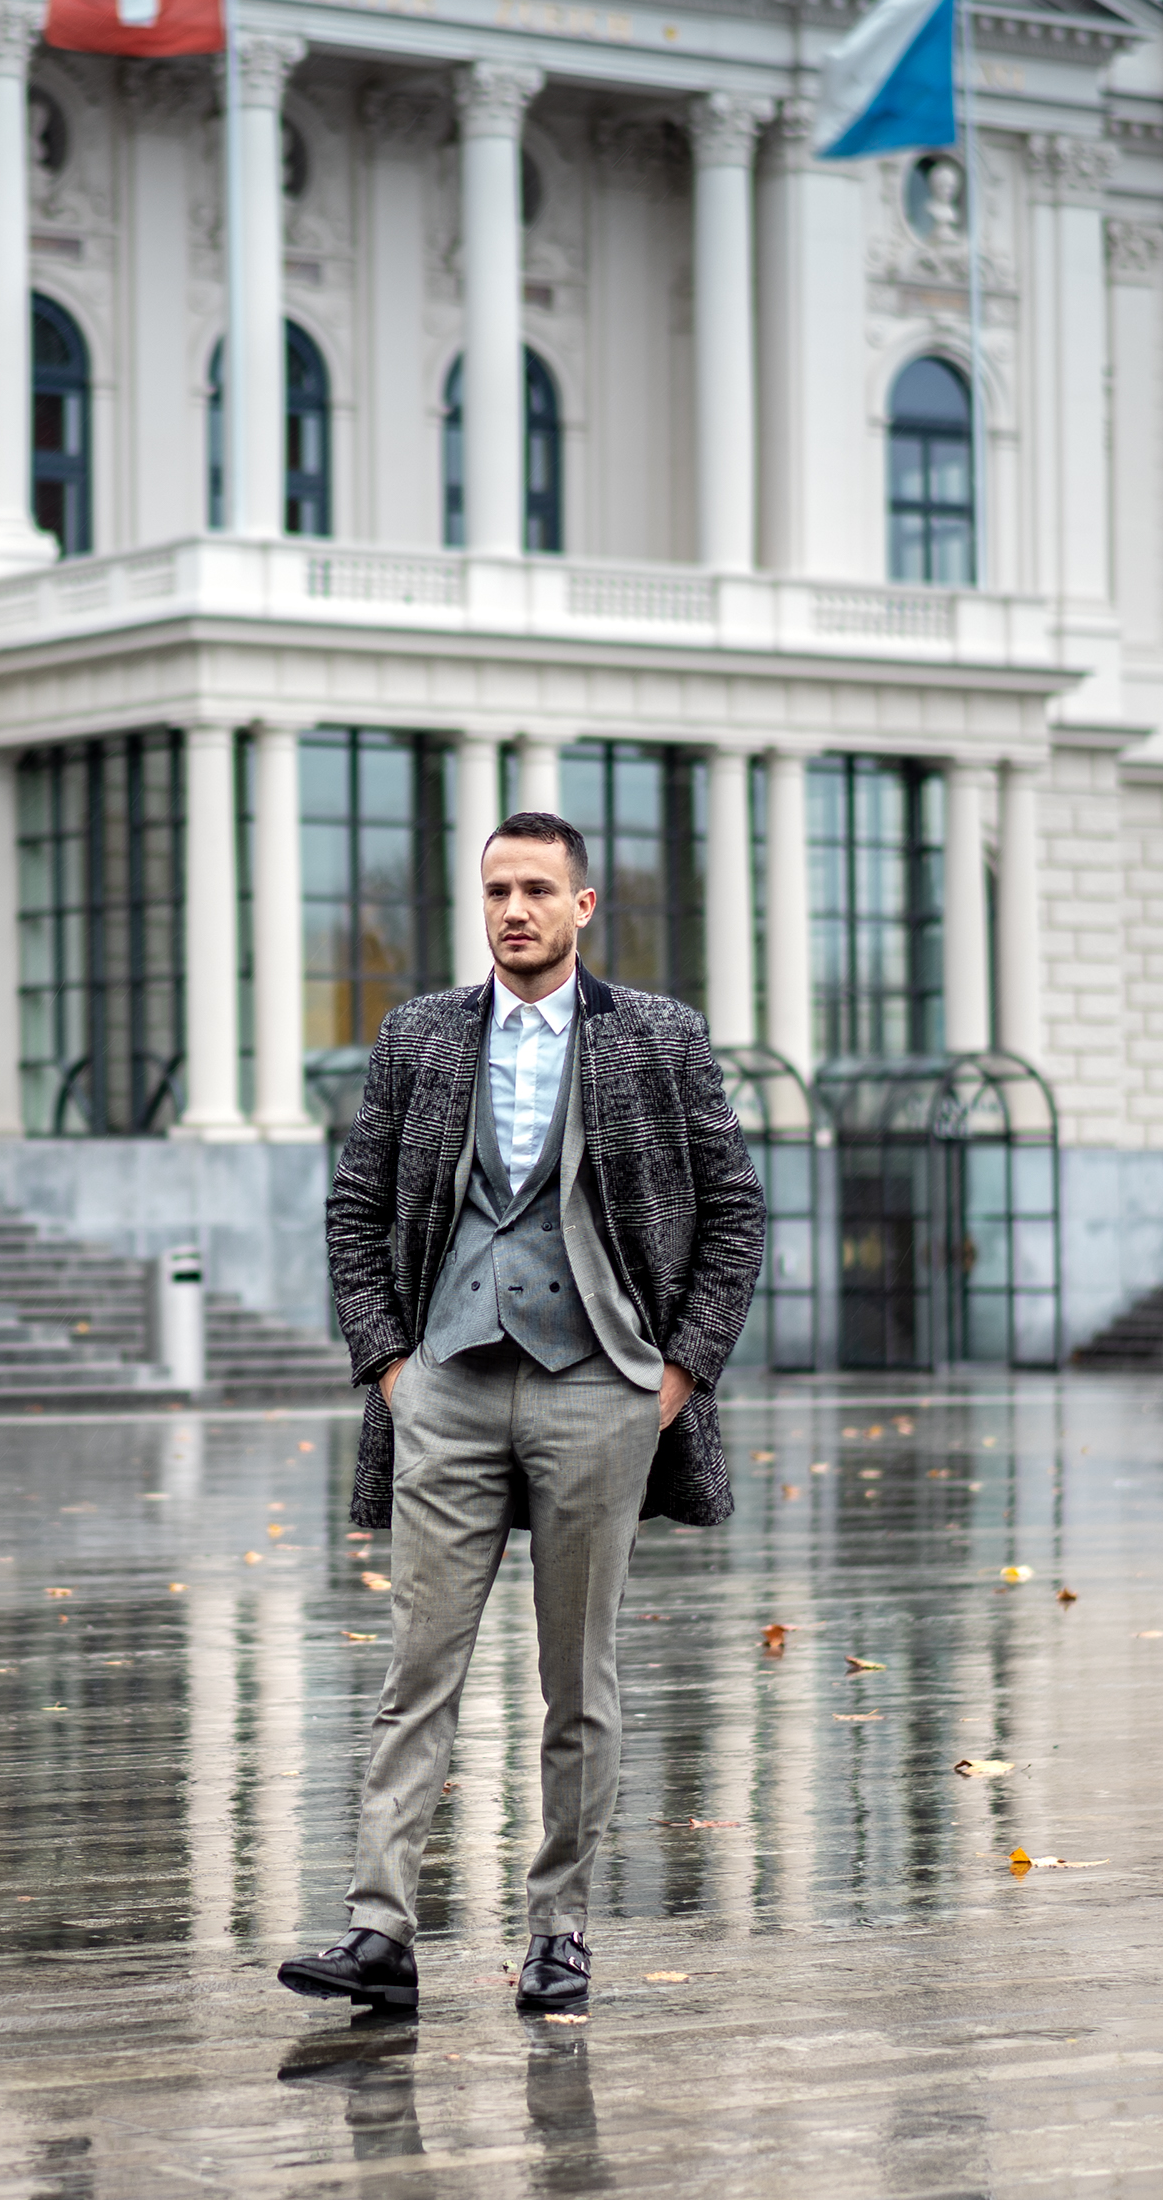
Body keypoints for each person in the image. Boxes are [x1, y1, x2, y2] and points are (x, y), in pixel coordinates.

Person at [278, 809, 765, 2015]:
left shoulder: (657, 1036)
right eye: (496, 889)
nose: (513, 910)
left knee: (576, 1681)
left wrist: (676, 1376)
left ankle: (558, 1929)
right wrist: (388, 1364)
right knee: (415, 1670)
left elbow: (733, 1212)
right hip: (443, 1381)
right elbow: (353, 1207)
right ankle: (378, 1932)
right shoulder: (418, 1035)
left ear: (581, 906)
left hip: (599, 1385)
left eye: (537, 889)